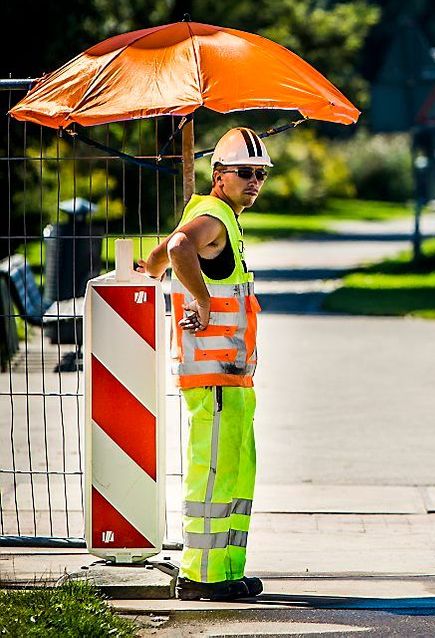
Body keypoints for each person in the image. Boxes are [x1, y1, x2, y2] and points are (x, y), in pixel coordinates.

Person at [136, 127, 270, 601]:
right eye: (245, 173)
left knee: (231, 474)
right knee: (214, 475)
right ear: (219, 175)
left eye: (261, 174)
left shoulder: (210, 214)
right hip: (215, 381)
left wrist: (148, 272)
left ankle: (226, 571)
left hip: (229, 381)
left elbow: (163, 252)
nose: (255, 181)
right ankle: (203, 578)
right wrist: (201, 298)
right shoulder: (213, 214)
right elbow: (178, 248)